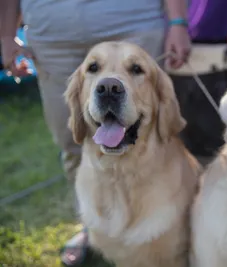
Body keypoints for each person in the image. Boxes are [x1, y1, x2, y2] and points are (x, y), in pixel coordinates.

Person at [0, 0, 191, 265]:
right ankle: (94, 225)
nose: (108, 85)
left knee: (157, 136)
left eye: (135, 69)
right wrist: (6, 34)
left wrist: (178, 21)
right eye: (94, 70)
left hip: (135, 20)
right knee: (71, 142)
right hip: (52, 37)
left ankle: (166, 228)